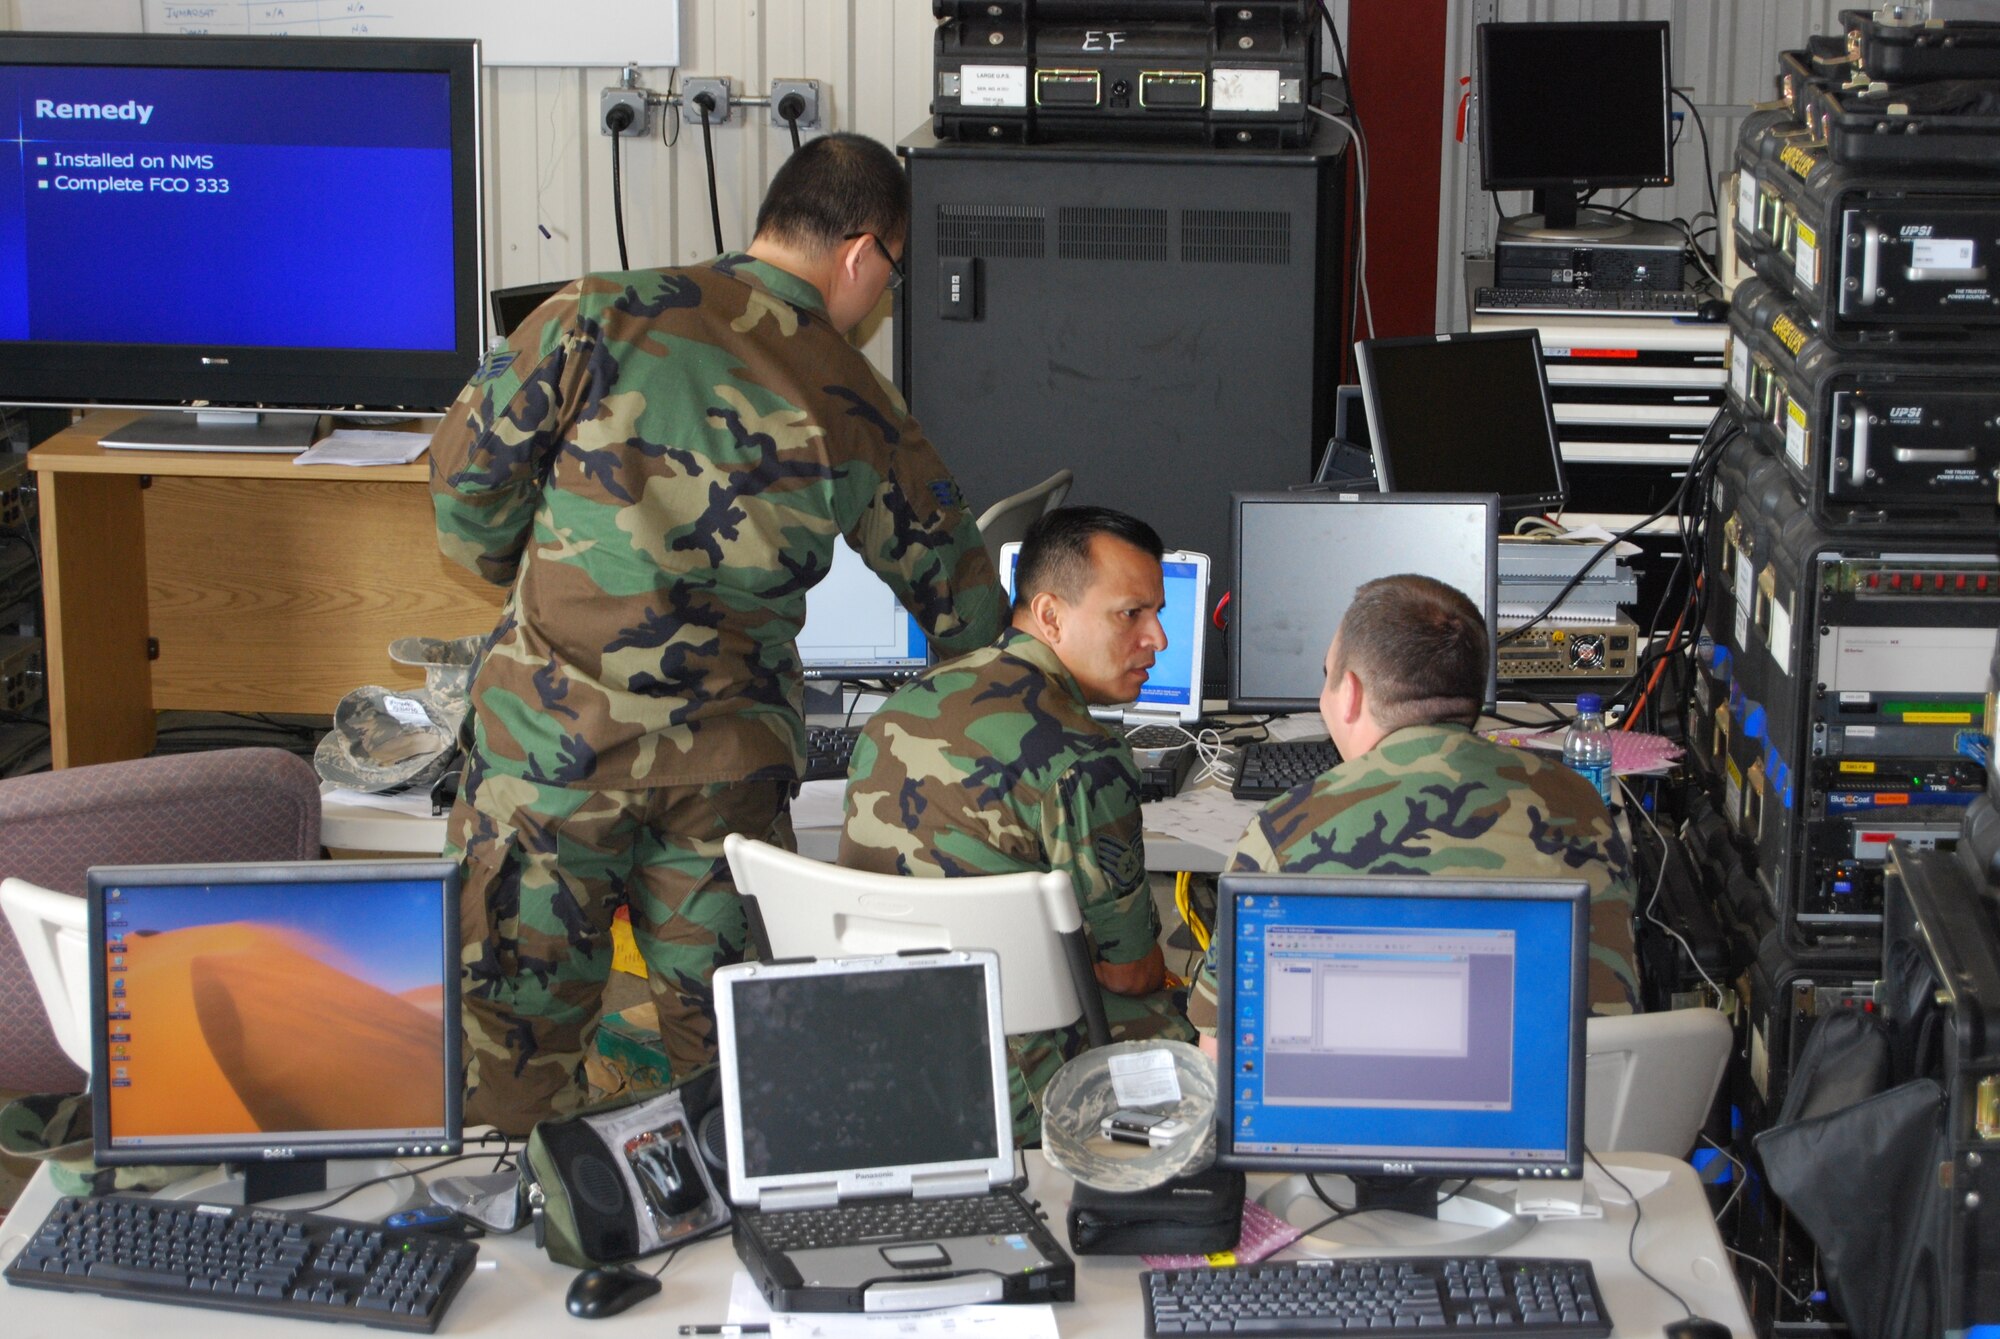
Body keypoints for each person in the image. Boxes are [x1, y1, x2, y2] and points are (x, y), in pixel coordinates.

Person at [430, 133, 1007, 1134]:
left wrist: (523, 585)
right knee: (743, 1083)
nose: (877, 309)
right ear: (861, 254)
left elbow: (464, 489)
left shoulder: (592, 311)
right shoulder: (853, 394)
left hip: (546, 767)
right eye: (890, 282)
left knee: (508, 1069)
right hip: (722, 791)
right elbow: (958, 597)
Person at [840, 506, 1193, 1141]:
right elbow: (1128, 972)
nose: (1158, 639)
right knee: (1204, 1019)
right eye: (1131, 614)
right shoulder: (1084, 755)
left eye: (1158, 613)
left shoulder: (898, 709)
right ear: (1051, 615)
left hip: (876, 1054)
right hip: (1014, 1087)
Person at [1190, 574, 1640, 1040]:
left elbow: (1217, 1054)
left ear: (1352, 694)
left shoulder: (1281, 833)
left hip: (1345, 1106)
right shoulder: (1580, 805)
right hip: (1549, 1106)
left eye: (1327, 678)